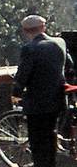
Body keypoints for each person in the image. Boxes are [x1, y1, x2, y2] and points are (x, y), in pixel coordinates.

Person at [12, 14, 73, 167]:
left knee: (38, 142)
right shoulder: (60, 42)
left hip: (37, 104)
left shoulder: (29, 49)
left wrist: (15, 94)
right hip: (58, 100)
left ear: (26, 31)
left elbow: (23, 75)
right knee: (51, 136)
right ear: (43, 27)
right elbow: (70, 64)